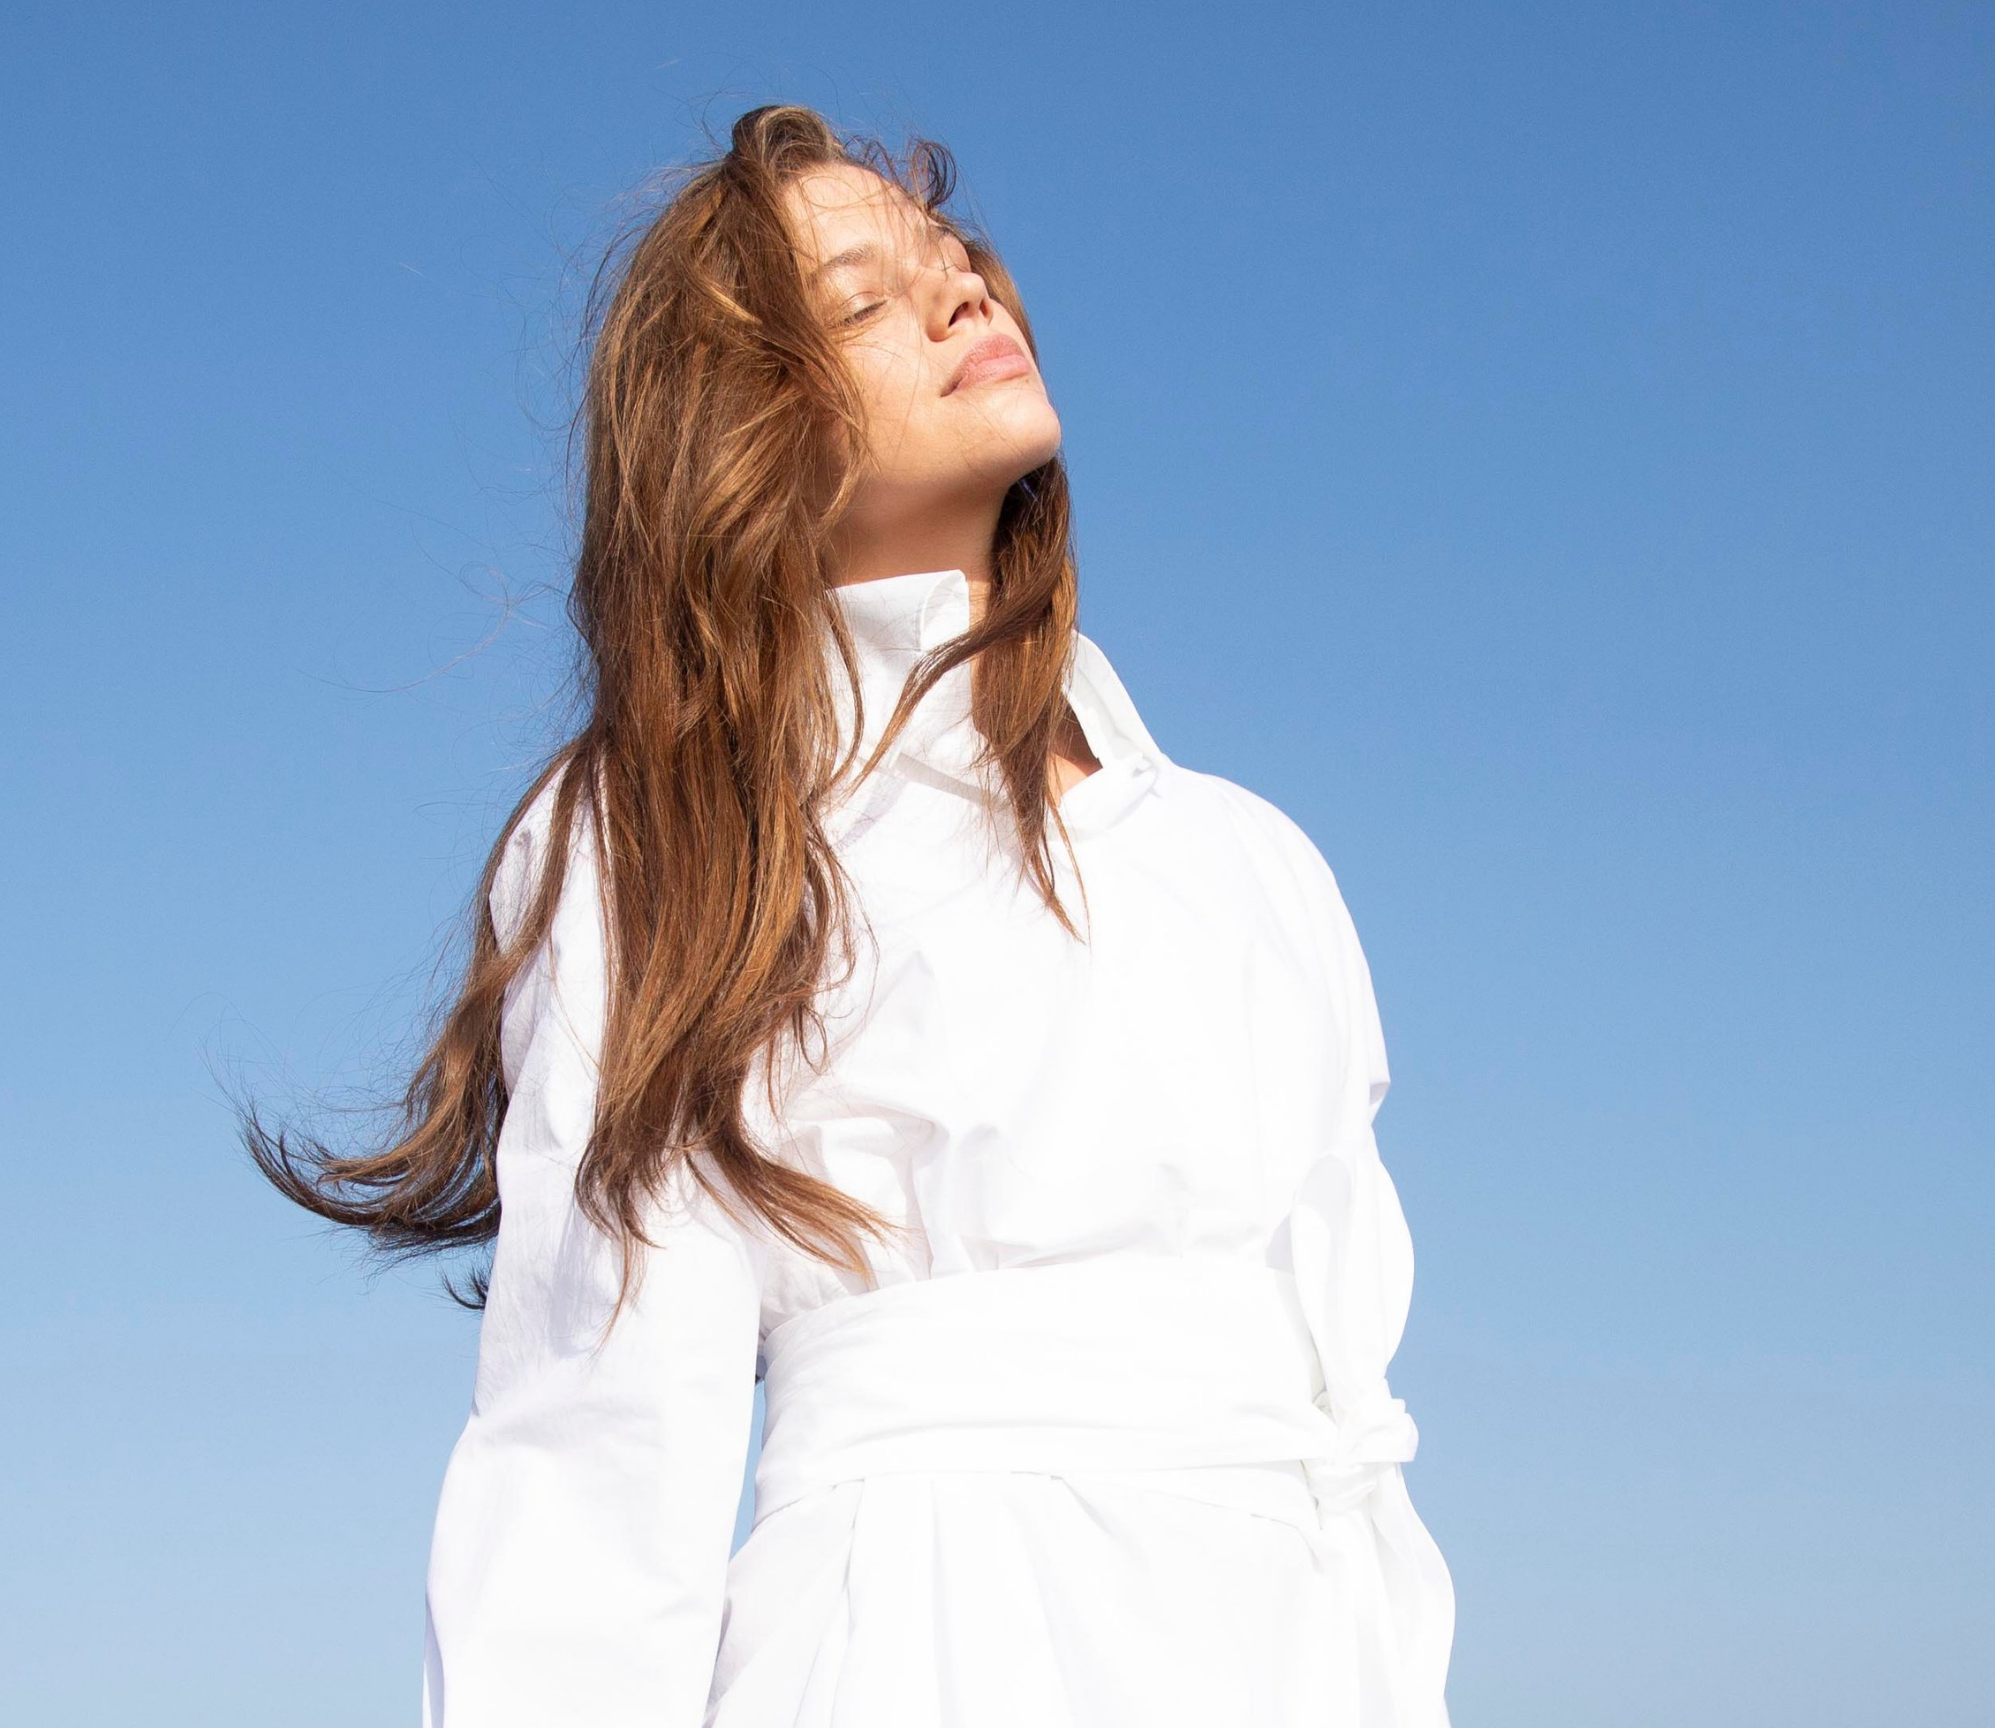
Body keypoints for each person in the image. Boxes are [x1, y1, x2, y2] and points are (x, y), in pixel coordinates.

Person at [252, 103, 1453, 1728]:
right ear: (745, 430)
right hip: (920, 1640)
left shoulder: (1253, 860)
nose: (964, 296)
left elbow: (1353, 1425)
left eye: (958, 262)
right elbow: (596, 1451)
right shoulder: (667, 826)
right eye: (866, 298)